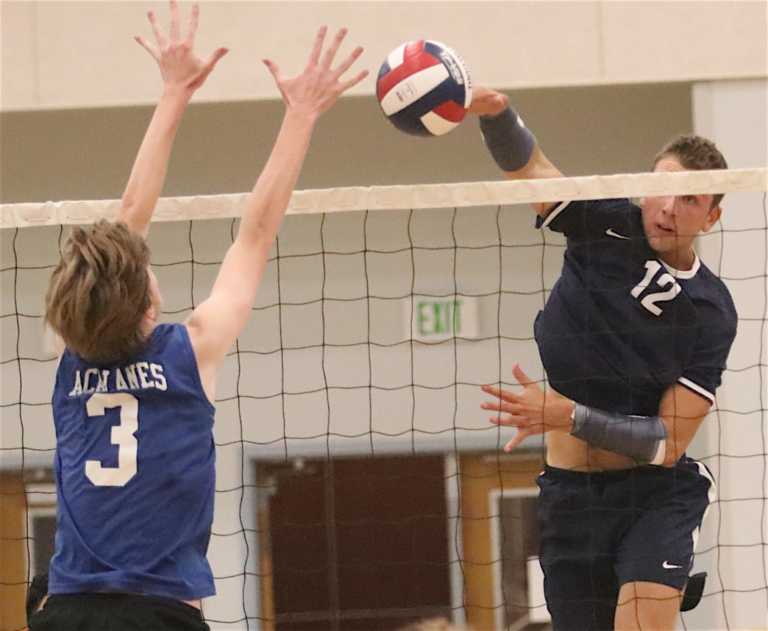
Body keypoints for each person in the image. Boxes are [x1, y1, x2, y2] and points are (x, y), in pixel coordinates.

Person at [33, 1, 367, 628]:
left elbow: (129, 216)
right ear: (147, 301)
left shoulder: (69, 346)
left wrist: (172, 92)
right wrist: (301, 114)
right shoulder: (190, 349)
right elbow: (256, 233)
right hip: (158, 615)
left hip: (68, 611)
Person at [473, 87, 736, 631]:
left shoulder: (710, 312)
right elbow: (534, 169)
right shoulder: (606, 222)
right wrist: (497, 115)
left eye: (688, 199)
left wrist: (566, 416)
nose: (668, 207)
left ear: (711, 215)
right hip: (570, 497)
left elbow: (667, 443)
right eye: (660, 190)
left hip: (653, 495)